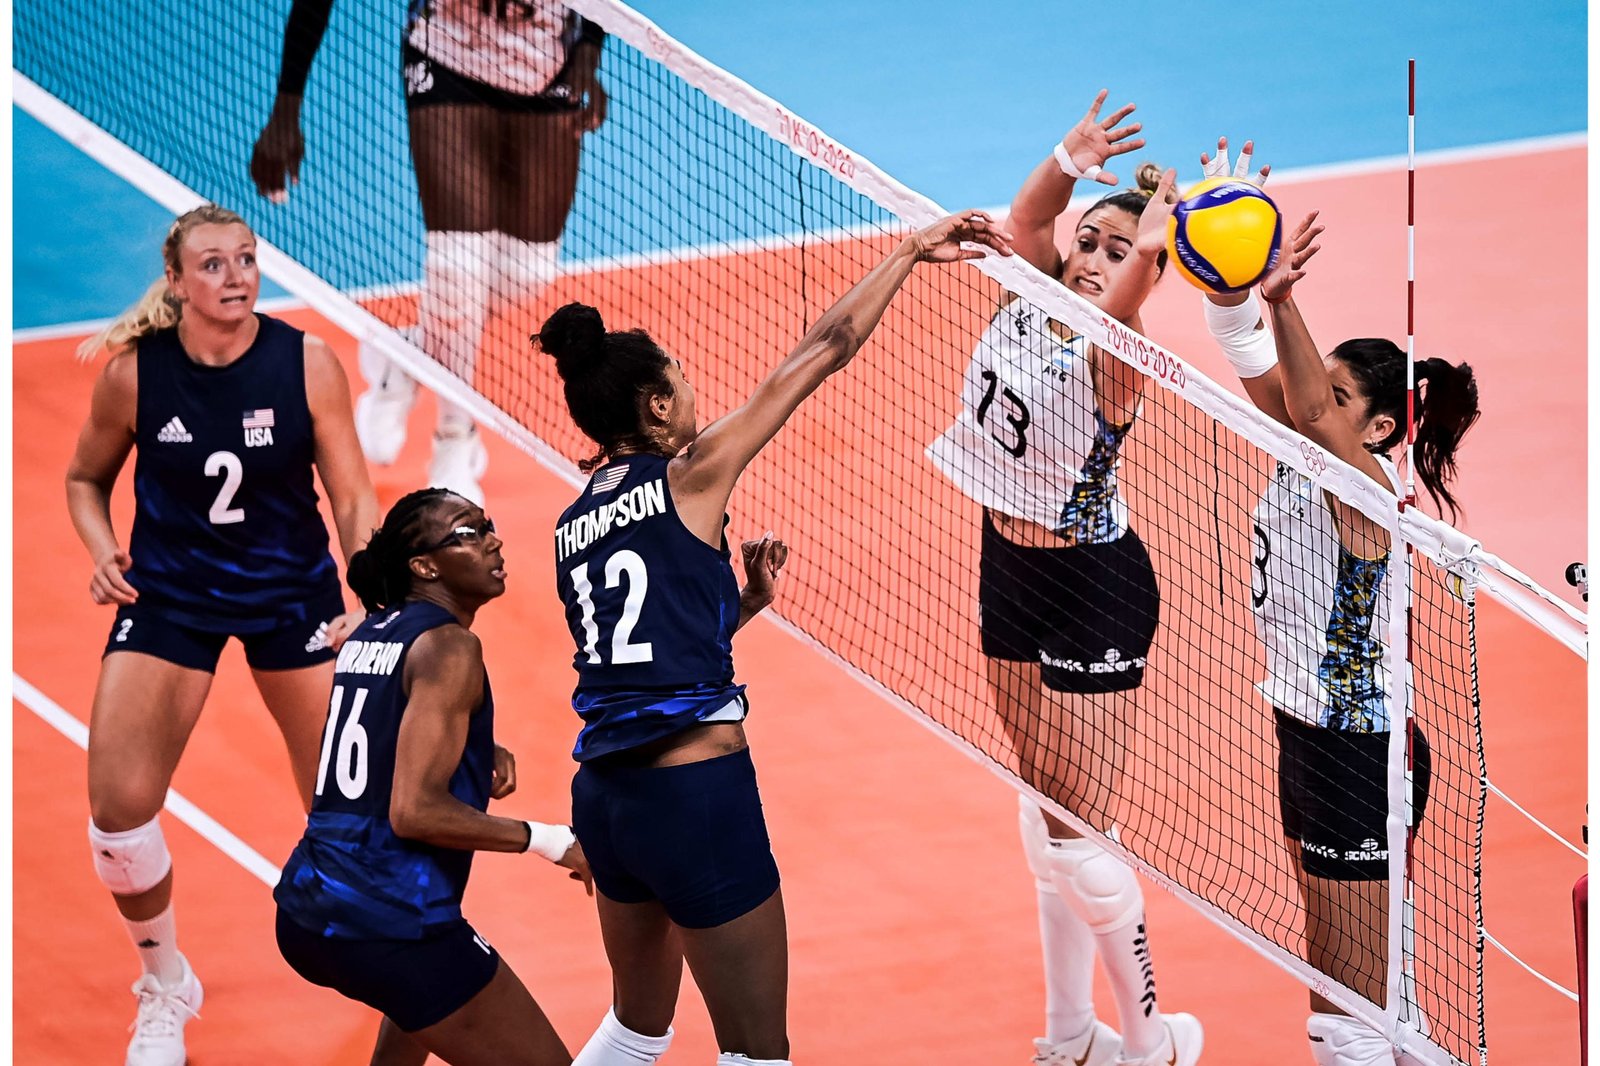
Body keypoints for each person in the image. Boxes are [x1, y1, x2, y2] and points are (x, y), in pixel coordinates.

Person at [536, 209, 1012, 1066]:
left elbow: (641, 645)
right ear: (654, 405)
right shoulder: (692, 470)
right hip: (695, 800)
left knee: (636, 1030)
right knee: (758, 1053)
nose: (693, 393)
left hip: (605, 801)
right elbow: (821, 352)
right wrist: (906, 250)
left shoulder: (572, 523)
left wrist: (740, 603)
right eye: (679, 382)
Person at [66, 203, 379, 1066]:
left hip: (294, 596)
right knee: (118, 816)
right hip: (171, 595)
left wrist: (372, 590)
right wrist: (102, 552)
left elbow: (352, 497)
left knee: (344, 811)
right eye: (212, 264)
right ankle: (165, 983)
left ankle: (375, 955)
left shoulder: (306, 363)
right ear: (175, 280)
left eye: (245, 259)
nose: (235, 276)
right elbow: (86, 477)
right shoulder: (135, 375)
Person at [925, 91, 1201, 1066]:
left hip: (1094, 591)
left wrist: (1158, 224)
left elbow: (1128, 302)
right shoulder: (1033, 289)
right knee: (1044, 814)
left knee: (1082, 831)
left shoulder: (1119, 355)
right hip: (1008, 567)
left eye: (1114, 252)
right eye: (1088, 243)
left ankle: (1147, 1042)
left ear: (1147, 270)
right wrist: (1068, 157)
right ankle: (1068, 1032)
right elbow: (1028, 221)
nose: (1088, 258)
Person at [1197, 138, 1478, 1065]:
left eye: (1343, 393)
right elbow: (1254, 360)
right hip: (1308, 735)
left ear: (1382, 425)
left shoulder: (1363, 485)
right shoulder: (1311, 449)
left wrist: (1286, 300)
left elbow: (1312, 411)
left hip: (1363, 751)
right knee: (1374, 992)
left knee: (1343, 1010)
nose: (1318, 400)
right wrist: (1234, 265)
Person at [275, 488, 593, 1066]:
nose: (493, 540)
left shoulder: (370, 632)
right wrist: (553, 841)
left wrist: (471, 743)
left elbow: (378, 733)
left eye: (487, 525)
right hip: (390, 924)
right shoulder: (451, 647)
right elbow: (414, 812)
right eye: (468, 534)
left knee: (414, 1010)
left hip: (306, 911)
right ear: (424, 566)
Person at [252, 0, 608, 505]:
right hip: (447, 59)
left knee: (527, 273)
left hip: (545, 62)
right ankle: (454, 440)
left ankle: (407, 355)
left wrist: (591, 47)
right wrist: (287, 104)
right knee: (457, 270)